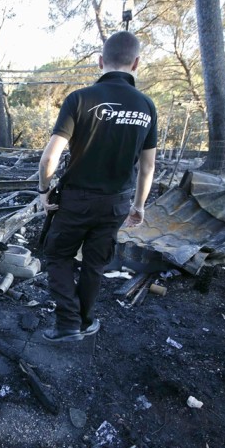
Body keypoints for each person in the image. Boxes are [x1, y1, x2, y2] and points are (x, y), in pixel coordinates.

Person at [37, 31, 157, 343]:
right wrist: (139, 206)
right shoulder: (146, 106)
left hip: (76, 200)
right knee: (94, 264)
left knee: (57, 255)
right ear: (136, 63)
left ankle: (67, 323)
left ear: (101, 61)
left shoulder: (80, 99)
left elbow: (51, 156)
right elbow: (148, 166)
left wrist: (43, 190)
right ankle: (85, 321)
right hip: (116, 203)